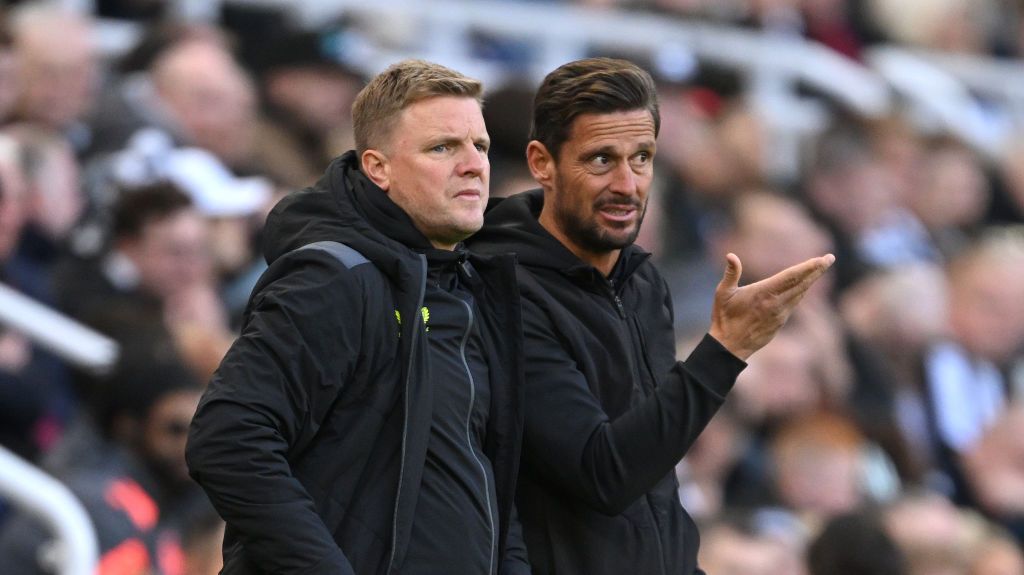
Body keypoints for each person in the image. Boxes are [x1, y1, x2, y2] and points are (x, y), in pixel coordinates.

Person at [469, 57, 834, 574]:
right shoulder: (503, 290)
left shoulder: (641, 281)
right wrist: (725, 350)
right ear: (541, 163)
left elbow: (655, 480)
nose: (627, 183)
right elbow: (604, 473)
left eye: (642, 158)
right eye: (601, 160)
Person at [185, 59, 528, 574]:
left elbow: (490, 480)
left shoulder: (470, 292)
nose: (474, 164)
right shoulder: (336, 280)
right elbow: (228, 438)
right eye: (442, 147)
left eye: (478, 146)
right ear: (378, 168)